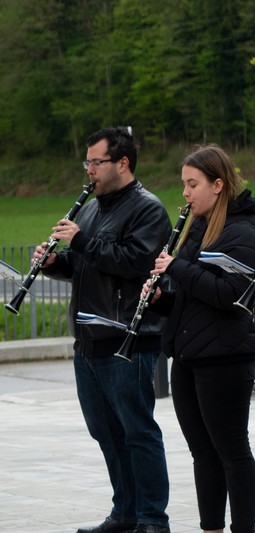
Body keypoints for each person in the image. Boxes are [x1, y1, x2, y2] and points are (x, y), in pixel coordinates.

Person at [37, 127, 172, 533]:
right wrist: (55, 263)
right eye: (88, 162)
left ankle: (153, 518)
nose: (90, 170)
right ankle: (125, 513)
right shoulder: (92, 208)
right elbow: (86, 266)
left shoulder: (148, 209)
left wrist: (81, 242)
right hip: (89, 339)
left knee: (137, 431)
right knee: (106, 433)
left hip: (127, 338)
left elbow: (135, 263)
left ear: (122, 163)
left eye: (96, 162)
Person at [146, 145, 255, 533]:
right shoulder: (198, 226)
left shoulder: (243, 230)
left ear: (218, 185)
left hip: (225, 358)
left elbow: (232, 296)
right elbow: (194, 299)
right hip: (189, 355)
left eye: (192, 184)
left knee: (233, 452)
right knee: (203, 453)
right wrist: (161, 300)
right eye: (184, 184)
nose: (185, 193)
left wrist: (176, 268)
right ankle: (210, 527)